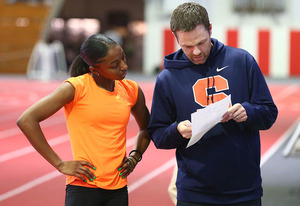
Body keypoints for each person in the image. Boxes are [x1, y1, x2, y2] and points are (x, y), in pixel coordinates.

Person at [148, 2, 278, 206]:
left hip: (244, 190)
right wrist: (178, 130)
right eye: (187, 46)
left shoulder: (242, 61)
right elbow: (157, 135)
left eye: (201, 42)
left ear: (210, 29)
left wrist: (249, 112)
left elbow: (269, 113)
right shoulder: (167, 78)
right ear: (176, 38)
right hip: (194, 193)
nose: (197, 52)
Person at [17, 34, 151, 206]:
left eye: (123, 58)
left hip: (118, 189)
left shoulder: (131, 90)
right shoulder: (76, 88)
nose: (124, 66)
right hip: (83, 187)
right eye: (114, 65)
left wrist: (135, 157)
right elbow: (27, 120)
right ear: (95, 70)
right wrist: (59, 164)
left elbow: (146, 129)